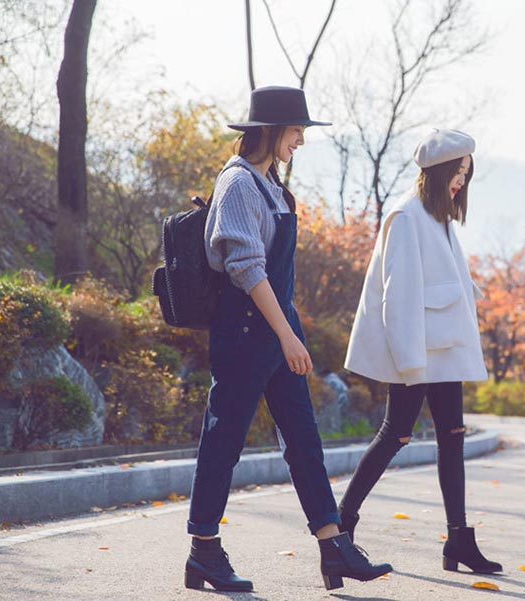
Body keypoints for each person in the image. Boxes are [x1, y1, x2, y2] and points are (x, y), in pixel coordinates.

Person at [184, 85, 391, 592]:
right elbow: (246, 268)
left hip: (277, 330)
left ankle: (332, 544)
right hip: (246, 331)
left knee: (304, 440)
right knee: (224, 440)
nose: (302, 139)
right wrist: (287, 334)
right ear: (274, 130)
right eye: (298, 130)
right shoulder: (237, 184)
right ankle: (203, 551)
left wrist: (290, 333)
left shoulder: (271, 185)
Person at [342, 129, 503, 574]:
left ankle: (459, 541)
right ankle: (341, 524)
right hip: (418, 353)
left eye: (466, 173)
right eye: (456, 172)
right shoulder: (408, 216)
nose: (460, 181)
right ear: (435, 172)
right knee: (395, 434)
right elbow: (400, 296)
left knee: (452, 438)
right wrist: (410, 362)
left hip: (443, 350)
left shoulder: (438, 216)